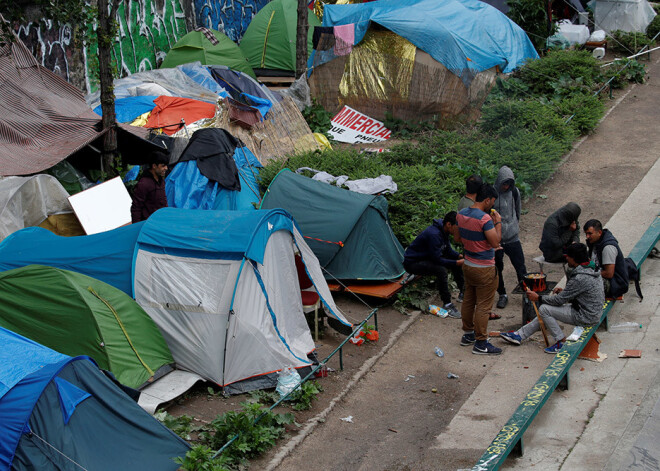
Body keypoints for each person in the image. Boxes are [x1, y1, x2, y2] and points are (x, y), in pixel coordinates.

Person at [500, 243, 604, 354]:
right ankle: (519, 335)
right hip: (591, 311)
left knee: (544, 309)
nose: (566, 258)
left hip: (586, 316)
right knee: (546, 312)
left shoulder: (580, 277)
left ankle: (561, 341)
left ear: (574, 259)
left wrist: (538, 298)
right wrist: (565, 292)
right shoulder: (591, 269)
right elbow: (581, 292)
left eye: (568, 256)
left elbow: (559, 300)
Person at [453, 184, 502, 355]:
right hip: (484, 268)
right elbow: (496, 243)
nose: (492, 206)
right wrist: (498, 223)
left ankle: (468, 334)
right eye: (492, 202)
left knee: (469, 299)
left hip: (468, 264)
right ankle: (481, 343)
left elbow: (457, 238)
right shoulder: (485, 219)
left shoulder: (461, 214)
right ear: (487, 200)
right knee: (483, 305)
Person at [403, 212, 464, 318]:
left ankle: (463, 292)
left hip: (427, 258)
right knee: (440, 270)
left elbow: (447, 250)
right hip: (413, 263)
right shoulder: (434, 234)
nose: (458, 230)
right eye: (457, 227)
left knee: (455, 261)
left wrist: (459, 256)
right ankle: (447, 304)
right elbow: (438, 259)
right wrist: (456, 262)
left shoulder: (444, 230)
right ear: (449, 224)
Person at [492, 166, 527, 309]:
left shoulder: (515, 192)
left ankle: (526, 292)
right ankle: (502, 294)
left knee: (520, 266)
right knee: (497, 268)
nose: (506, 186)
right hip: (496, 239)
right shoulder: (492, 194)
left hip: (513, 237)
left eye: (508, 183)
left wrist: (513, 227)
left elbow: (517, 212)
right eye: (504, 183)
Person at [584, 219, 629, 299]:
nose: (587, 236)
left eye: (590, 234)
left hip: (615, 284)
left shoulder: (608, 248)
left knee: (584, 281)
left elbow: (609, 274)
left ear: (600, 233)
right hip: (601, 274)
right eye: (586, 234)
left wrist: (588, 273)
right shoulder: (595, 241)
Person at [131, 150, 169, 223]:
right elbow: (136, 208)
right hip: (148, 225)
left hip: (160, 222)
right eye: (163, 166)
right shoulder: (144, 184)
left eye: (166, 165)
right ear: (154, 166)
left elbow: (163, 202)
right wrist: (136, 228)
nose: (166, 168)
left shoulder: (161, 181)